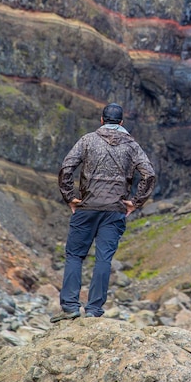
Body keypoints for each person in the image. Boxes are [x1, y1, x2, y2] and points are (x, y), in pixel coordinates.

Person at [50, 102, 156, 322]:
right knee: (103, 260)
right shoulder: (132, 145)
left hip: (87, 207)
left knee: (74, 256)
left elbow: (66, 168)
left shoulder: (87, 140)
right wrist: (135, 202)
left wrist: (70, 197)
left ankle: (70, 306)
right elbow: (149, 175)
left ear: (101, 120)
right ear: (121, 122)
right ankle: (94, 310)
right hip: (115, 210)